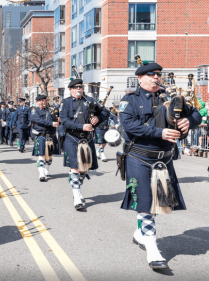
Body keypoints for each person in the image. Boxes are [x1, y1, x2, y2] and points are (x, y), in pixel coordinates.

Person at [119, 62, 201, 270]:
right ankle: (153, 250)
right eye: (151, 75)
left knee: (156, 204)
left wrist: (189, 122)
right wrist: (159, 133)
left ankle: (140, 234)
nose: (156, 77)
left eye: (158, 74)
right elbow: (129, 125)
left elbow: (197, 114)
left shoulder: (171, 98)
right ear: (140, 78)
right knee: (146, 204)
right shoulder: (130, 99)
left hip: (164, 159)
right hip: (139, 157)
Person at [60, 79, 109, 211]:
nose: (78, 89)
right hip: (72, 138)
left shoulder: (90, 100)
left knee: (84, 168)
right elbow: (64, 121)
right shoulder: (65, 102)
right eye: (75, 87)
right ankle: (77, 197)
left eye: (80, 87)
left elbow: (105, 112)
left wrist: (98, 118)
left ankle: (77, 189)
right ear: (70, 89)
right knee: (75, 168)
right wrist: (81, 126)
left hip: (87, 139)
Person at [30, 95, 60, 181]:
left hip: (51, 135)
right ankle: (41, 173)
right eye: (40, 101)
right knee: (42, 155)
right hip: (41, 135)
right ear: (37, 102)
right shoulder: (34, 111)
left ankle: (47, 169)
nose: (42, 102)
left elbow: (56, 120)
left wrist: (58, 120)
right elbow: (39, 121)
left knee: (49, 156)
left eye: (44, 100)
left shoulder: (51, 110)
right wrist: (51, 124)